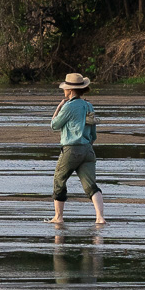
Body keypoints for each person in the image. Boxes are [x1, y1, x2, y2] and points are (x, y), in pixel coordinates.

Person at [48, 72, 105, 226]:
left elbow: (54, 125)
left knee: (59, 180)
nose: (64, 91)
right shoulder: (88, 105)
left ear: (71, 91)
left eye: (65, 88)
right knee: (91, 186)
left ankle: (58, 217)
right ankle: (100, 218)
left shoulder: (68, 107)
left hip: (71, 149)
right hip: (88, 150)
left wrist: (59, 107)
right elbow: (93, 135)